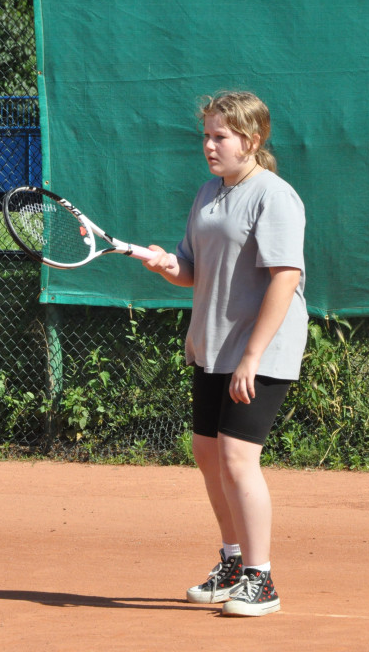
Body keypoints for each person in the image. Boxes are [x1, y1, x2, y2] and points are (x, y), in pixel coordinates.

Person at [143, 91, 307, 617]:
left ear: (251, 140)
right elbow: (191, 269)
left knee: (237, 457)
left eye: (221, 136)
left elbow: (286, 276)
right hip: (213, 345)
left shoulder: (274, 196)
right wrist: (165, 264)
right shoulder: (208, 195)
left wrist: (253, 355)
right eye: (206, 136)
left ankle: (262, 579)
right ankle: (233, 561)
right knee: (207, 452)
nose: (209, 146)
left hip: (262, 349)